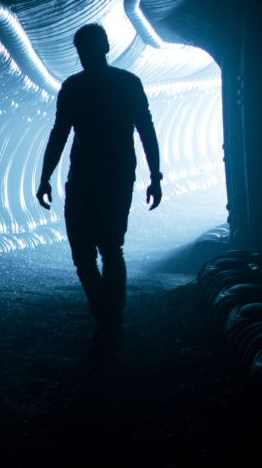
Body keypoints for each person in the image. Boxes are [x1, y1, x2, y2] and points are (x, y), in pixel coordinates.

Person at [36, 24, 162, 349]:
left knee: (88, 254)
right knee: (108, 250)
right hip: (114, 177)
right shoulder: (127, 85)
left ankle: (106, 318)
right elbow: (146, 132)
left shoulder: (74, 88)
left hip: (86, 179)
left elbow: (60, 134)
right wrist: (155, 176)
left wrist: (46, 177)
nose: (85, 57)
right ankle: (111, 319)